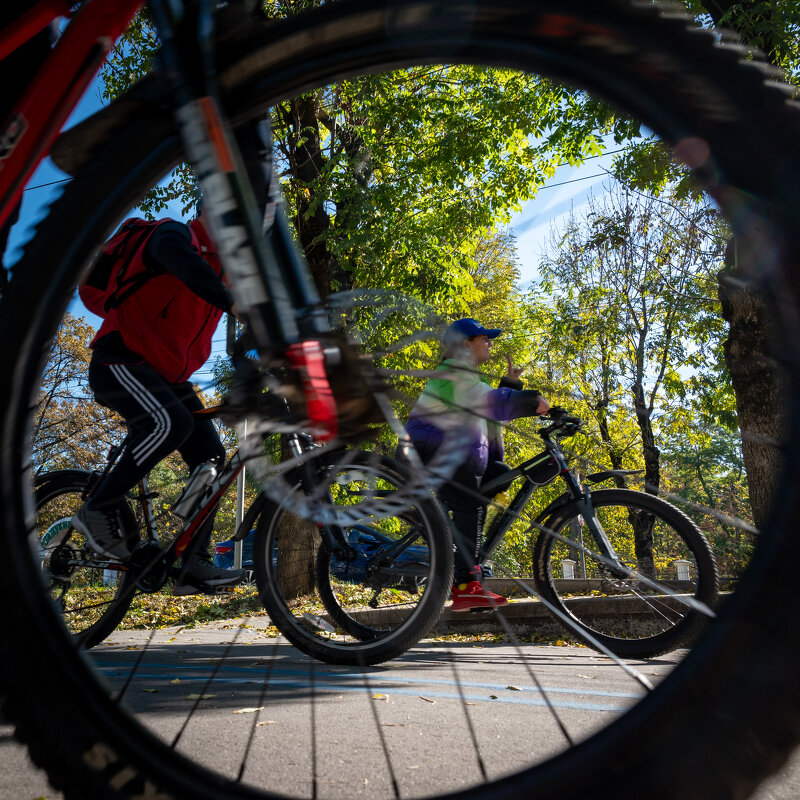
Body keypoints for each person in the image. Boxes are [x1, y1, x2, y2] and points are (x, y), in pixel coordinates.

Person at [71, 203, 246, 595]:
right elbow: (184, 265)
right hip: (120, 359)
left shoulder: (228, 272)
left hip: (167, 377)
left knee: (211, 455)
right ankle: (98, 507)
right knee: (171, 423)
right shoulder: (173, 236)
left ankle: (192, 563)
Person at [405, 318, 550, 612]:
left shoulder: (469, 378)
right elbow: (487, 401)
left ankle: (463, 558)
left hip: (455, 456)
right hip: (431, 454)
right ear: (464, 344)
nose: (490, 343)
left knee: (498, 476)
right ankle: (465, 584)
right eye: (484, 338)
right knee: (469, 502)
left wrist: (510, 386)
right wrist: (530, 399)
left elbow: (491, 413)